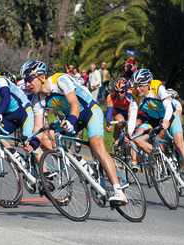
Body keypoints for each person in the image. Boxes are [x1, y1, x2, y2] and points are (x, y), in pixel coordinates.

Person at [21, 60, 128, 204]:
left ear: (40, 76)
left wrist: (70, 122)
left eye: (29, 80)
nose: (27, 85)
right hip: (72, 118)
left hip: (89, 111)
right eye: (25, 81)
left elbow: (74, 104)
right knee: (47, 138)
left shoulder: (60, 80)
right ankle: (80, 162)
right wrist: (33, 142)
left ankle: (118, 191)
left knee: (96, 145)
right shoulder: (37, 99)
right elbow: (38, 128)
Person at [125, 69, 184, 195]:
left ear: (148, 83)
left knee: (179, 145)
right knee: (137, 139)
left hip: (170, 116)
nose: (138, 89)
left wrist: (166, 120)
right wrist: (129, 132)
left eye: (141, 85)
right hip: (153, 120)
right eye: (136, 86)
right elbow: (133, 116)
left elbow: (168, 105)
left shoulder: (157, 86)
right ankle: (162, 158)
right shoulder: (134, 95)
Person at [105, 77, 144, 172]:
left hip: (130, 111)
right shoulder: (111, 96)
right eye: (117, 91)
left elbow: (133, 111)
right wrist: (109, 124)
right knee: (119, 121)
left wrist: (131, 123)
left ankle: (134, 159)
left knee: (134, 128)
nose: (119, 94)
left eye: (122, 91)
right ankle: (117, 139)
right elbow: (109, 113)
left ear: (126, 90)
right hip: (118, 112)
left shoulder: (131, 94)